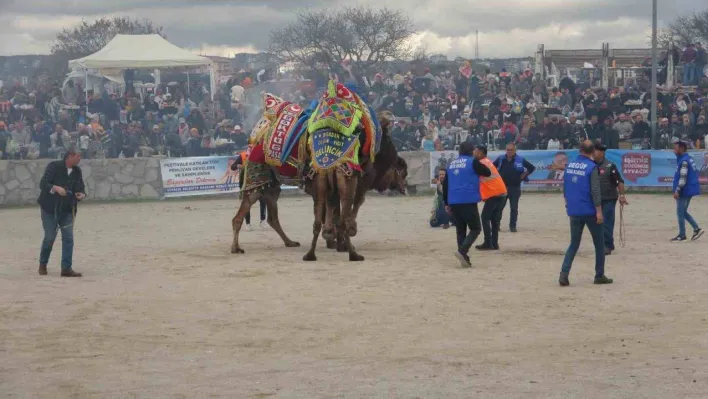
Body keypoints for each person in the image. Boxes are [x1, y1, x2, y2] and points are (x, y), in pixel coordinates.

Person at [559, 140, 613, 287]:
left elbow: (565, 188)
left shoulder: (569, 166)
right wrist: (599, 211)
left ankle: (564, 273)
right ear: (593, 151)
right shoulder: (592, 167)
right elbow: (595, 191)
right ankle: (599, 275)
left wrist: (567, 204)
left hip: (574, 210)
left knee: (574, 244)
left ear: (579, 150)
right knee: (599, 244)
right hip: (590, 211)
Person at [36, 147, 86, 277]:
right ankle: (43, 264)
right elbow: (43, 183)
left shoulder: (77, 171)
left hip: (67, 210)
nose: (79, 159)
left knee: (68, 238)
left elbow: (81, 188)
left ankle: (66, 268)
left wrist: (82, 195)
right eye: (78, 156)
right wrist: (55, 188)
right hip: (49, 209)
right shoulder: (53, 166)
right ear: (70, 156)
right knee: (50, 237)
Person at [442, 141, 492, 267]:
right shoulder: (472, 161)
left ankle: (463, 257)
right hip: (468, 199)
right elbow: (487, 172)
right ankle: (462, 251)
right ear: (471, 151)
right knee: (475, 228)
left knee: (460, 230)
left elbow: (445, 185)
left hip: (453, 200)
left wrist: (446, 203)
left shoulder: (451, 164)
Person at [593, 144, 629, 255]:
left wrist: (622, 196)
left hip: (609, 198)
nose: (593, 153)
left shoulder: (610, 166)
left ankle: (608, 245)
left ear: (602, 153)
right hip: (596, 200)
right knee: (597, 223)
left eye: (596, 151)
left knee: (607, 222)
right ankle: (601, 244)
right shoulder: (591, 165)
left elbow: (619, 181)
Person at [493, 143, 536, 232]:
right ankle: (496, 226)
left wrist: (524, 175)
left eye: (511, 150)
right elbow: (492, 167)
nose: (509, 152)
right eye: (507, 150)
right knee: (499, 208)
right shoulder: (501, 159)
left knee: (513, 208)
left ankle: (512, 227)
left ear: (515, 150)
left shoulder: (520, 159)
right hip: (502, 188)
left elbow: (531, 168)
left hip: (515, 188)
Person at [474, 145, 508, 251]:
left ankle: (488, 243)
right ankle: (494, 243)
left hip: (495, 194)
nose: (474, 153)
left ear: (482, 154)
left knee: (485, 217)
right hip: (502, 192)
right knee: (494, 219)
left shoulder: (481, 163)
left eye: (476, 152)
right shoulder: (487, 162)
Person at [671, 141, 703, 242]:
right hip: (689, 189)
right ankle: (696, 229)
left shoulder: (684, 161)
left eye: (675, 148)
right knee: (683, 212)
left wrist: (677, 190)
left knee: (680, 213)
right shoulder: (688, 159)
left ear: (681, 149)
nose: (674, 150)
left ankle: (682, 235)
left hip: (684, 190)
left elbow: (683, 178)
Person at [230, 147, 267, 229]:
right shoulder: (243, 156)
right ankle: (248, 223)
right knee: (247, 203)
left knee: (263, 201)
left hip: (259, 182)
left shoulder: (260, 155)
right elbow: (232, 167)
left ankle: (263, 220)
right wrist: (237, 165)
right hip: (247, 183)